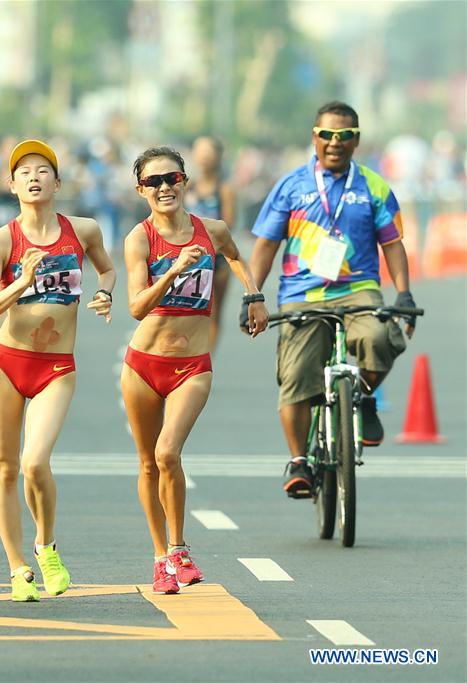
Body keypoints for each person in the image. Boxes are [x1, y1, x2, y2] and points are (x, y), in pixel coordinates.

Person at [245, 101, 415, 497]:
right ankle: (299, 461)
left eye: (344, 136)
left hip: (359, 289)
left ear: (357, 141)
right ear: (314, 137)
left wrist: (403, 292)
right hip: (302, 294)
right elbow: (265, 247)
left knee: (377, 339)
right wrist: (253, 295)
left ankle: (363, 396)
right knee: (297, 375)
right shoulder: (290, 186)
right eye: (327, 135)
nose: (334, 143)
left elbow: (392, 245)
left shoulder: (374, 186)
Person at [121, 146, 267, 595]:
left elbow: (236, 255)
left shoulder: (212, 230)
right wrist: (172, 274)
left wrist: (253, 294)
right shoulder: (140, 239)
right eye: (153, 182)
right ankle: (161, 557)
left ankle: (180, 546)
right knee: (148, 464)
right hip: (144, 365)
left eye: (171, 179)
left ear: (184, 181)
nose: (163, 188)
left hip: (193, 365)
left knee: (168, 453)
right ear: (141, 189)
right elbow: (136, 306)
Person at [0, 140, 116, 602]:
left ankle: (46, 546)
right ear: (11, 185)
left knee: (35, 462)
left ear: (58, 182)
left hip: (57, 365)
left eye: (43, 170)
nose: (33, 177)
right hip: (6, 364)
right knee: (5, 467)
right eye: (24, 172)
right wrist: (21, 281)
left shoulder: (83, 231)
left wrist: (105, 293)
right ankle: (17, 567)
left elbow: (107, 271)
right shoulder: (1, 240)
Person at [186, 136, 236, 352]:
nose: (204, 157)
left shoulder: (224, 190)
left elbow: (227, 225)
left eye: (209, 152)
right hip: (186, 259)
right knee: (187, 313)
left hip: (217, 261)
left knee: (213, 313)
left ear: (218, 156)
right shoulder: (187, 187)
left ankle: (206, 361)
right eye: (200, 152)